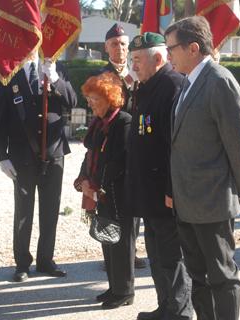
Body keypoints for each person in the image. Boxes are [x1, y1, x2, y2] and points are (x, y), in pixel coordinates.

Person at [165, 16, 240, 320]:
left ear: (192, 48)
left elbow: (238, 144)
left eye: (171, 48)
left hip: (213, 202)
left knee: (222, 276)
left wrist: (239, 193)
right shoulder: (187, 83)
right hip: (187, 201)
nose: (168, 56)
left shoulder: (219, 81)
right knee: (197, 275)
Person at [0, 50, 77, 282]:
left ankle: (46, 259)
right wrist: (2, 156)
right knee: (23, 211)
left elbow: (72, 101)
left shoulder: (57, 69)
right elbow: (0, 118)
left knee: (50, 209)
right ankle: (22, 263)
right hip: (22, 155)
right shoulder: (10, 74)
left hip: (53, 152)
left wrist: (56, 80)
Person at [126, 32, 193, 320]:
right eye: (132, 60)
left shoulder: (172, 86)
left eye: (138, 59)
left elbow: (176, 147)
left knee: (172, 255)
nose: (133, 65)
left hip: (165, 193)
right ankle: (165, 306)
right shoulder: (147, 86)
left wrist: (171, 190)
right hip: (148, 192)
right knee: (156, 253)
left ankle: (179, 312)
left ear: (157, 58)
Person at [75, 72, 135, 309]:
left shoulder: (123, 122)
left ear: (109, 98)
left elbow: (118, 161)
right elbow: (91, 154)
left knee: (121, 243)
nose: (90, 103)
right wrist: (84, 182)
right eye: (88, 98)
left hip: (119, 193)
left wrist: (96, 185)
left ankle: (125, 291)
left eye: (94, 99)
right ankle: (114, 287)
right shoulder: (99, 122)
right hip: (101, 192)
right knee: (107, 240)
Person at [93, 22, 146, 269]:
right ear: (106, 48)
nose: (120, 49)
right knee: (109, 204)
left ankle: (131, 251)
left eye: (124, 44)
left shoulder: (138, 72)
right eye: (114, 44)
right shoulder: (101, 76)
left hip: (134, 148)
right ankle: (111, 254)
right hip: (111, 148)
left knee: (133, 203)